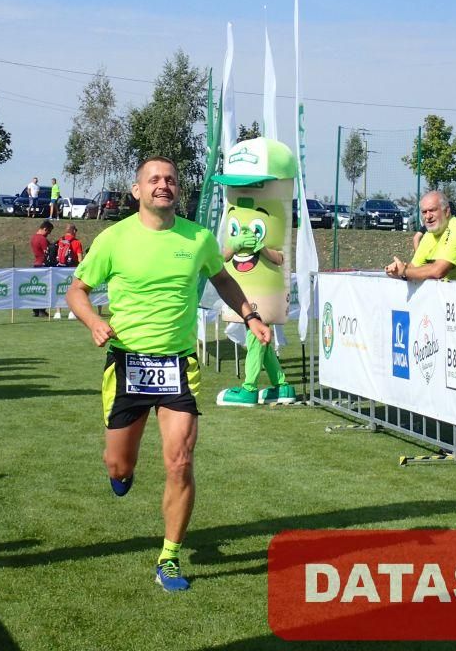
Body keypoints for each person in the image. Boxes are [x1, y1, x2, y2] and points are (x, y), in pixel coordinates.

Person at [66, 156, 271, 592]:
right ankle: (122, 473)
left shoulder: (198, 238)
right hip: (128, 363)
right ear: (137, 190)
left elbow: (222, 280)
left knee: (180, 461)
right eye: (154, 179)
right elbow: (77, 290)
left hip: (178, 364)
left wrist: (250, 315)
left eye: (171, 180)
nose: (163, 185)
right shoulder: (114, 238)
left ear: (179, 189)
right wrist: (94, 322)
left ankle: (170, 557)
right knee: (119, 464)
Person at [385, 190, 456, 282]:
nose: (428, 216)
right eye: (424, 212)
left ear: (446, 211)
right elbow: (414, 268)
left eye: (432, 210)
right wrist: (398, 269)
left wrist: (404, 272)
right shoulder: (429, 234)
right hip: (442, 291)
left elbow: (438, 271)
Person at [30, 220, 54, 316]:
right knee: (44, 288)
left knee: (37, 288)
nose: (49, 233)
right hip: (43, 265)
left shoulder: (33, 238)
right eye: (49, 231)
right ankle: (41, 310)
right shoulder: (42, 239)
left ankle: (35, 310)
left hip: (36, 265)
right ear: (45, 229)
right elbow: (47, 253)